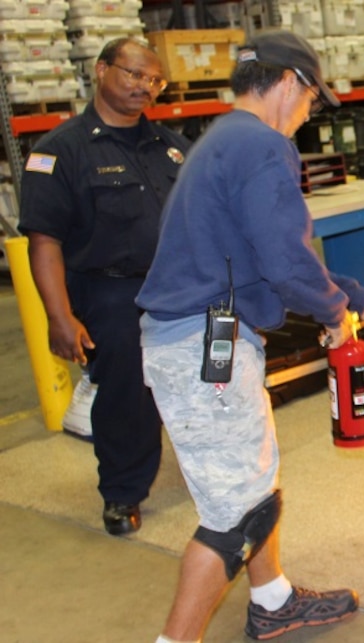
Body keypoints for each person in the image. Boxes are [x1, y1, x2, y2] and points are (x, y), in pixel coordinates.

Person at [135, 30, 364, 642]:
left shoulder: (224, 140)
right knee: (237, 515)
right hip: (205, 349)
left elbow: (267, 256)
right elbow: (286, 263)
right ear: (290, 83)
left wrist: (359, 297)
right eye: (313, 99)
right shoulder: (262, 147)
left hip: (194, 339)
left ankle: (273, 599)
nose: (311, 114)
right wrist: (336, 314)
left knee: (252, 483)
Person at [17, 38, 191, 536]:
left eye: (154, 80)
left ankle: (212, 475)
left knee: (211, 375)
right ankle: (122, 491)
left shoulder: (172, 146)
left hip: (175, 285)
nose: (144, 87)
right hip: (110, 292)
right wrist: (59, 317)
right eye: (133, 74)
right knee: (127, 391)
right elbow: (44, 242)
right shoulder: (60, 152)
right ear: (100, 70)